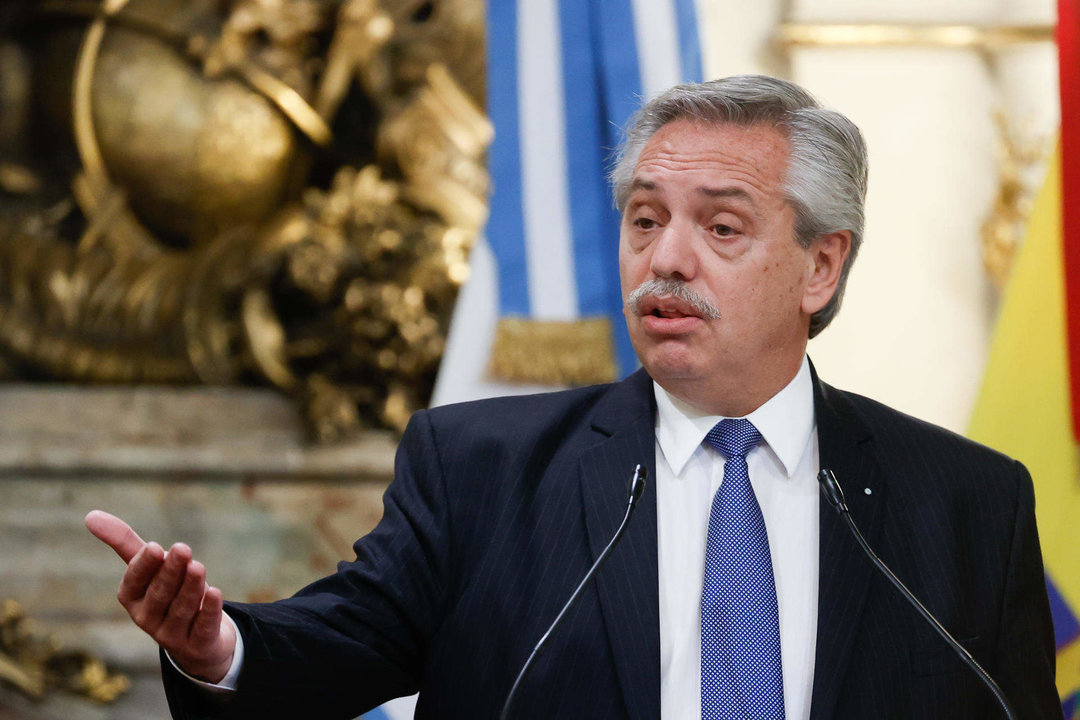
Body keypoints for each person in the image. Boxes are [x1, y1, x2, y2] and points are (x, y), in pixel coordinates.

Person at [87, 75, 1062, 720]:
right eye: (645, 219)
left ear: (820, 265)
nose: (665, 258)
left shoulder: (969, 502)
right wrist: (216, 645)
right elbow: (344, 642)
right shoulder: (481, 471)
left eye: (720, 228)